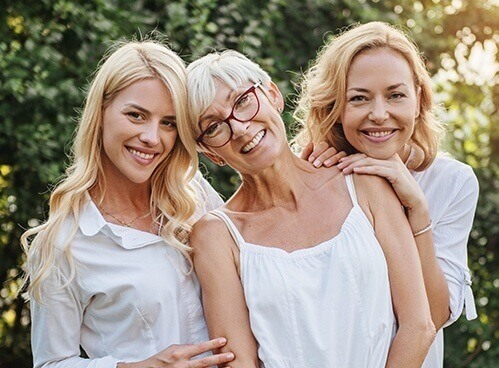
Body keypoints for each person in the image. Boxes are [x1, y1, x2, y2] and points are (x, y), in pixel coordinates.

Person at [186, 50, 436, 368]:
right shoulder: (216, 236)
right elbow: (238, 364)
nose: (239, 128)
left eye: (242, 101)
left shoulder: (362, 184)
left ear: (272, 94)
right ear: (211, 154)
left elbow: (419, 326)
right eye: (213, 127)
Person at [20, 40, 236, 368]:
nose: (152, 137)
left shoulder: (194, 195)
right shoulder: (63, 244)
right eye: (136, 115)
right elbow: (51, 363)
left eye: (169, 122)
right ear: (101, 112)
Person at [294, 21, 479, 367]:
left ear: (418, 99)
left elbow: (435, 316)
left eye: (395, 95)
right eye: (359, 98)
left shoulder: (452, 182)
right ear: (335, 105)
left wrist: (418, 210)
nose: (379, 115)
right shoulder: (321, 175)